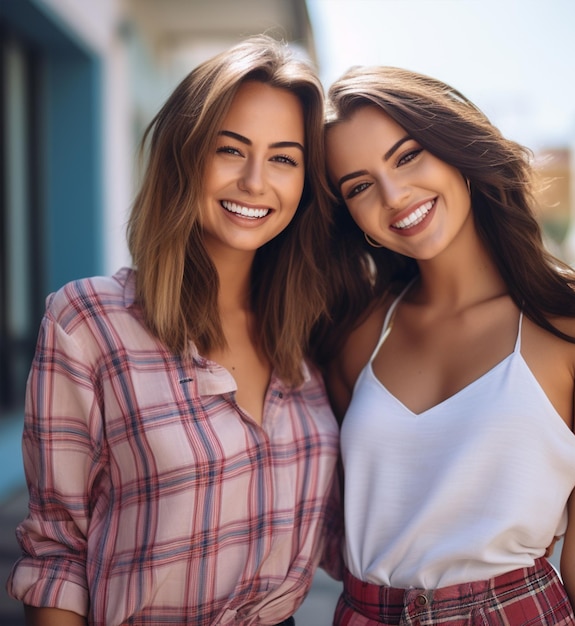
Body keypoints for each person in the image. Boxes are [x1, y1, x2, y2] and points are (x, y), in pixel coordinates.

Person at [6, 35, 342, 626]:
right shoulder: (89, 322)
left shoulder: (313, 335)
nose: (256, 180)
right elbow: (58, 555)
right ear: (185, 156)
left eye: (284, 158)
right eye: (230, 150)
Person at [312, 65, 575, 626]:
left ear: (455, 149)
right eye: (359, 186)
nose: (393, 194)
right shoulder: (354, 334)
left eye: (407, 156)